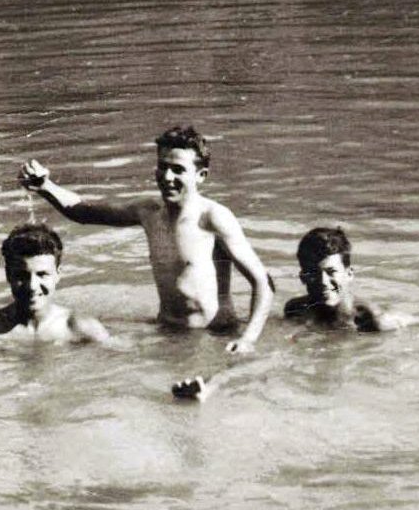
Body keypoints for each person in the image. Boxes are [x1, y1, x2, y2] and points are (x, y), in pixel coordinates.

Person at [19, 125, 274, 386]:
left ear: (201, 175)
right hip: (168, 332)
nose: (167, 176)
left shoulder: (213, 218)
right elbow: (84, 212)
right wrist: (45, 186)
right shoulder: (148, 212)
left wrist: (248, 340)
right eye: (162, 166)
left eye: (178, 169)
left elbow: (263, 283)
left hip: (214, 337)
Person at [0, 223, 110, 346]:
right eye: (22, 276)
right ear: (8, 275)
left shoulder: (81, 327)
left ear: (58, 274)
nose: (32, 286)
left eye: (42, 274)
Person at [283, 226, 404, 331]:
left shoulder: (374, 321)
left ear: (349, 274)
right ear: (303, 277)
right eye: (314, 273)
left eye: (331, 272)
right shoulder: (296, 310)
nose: (323, 282)